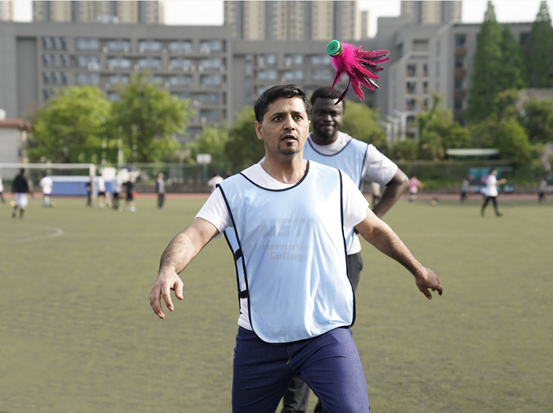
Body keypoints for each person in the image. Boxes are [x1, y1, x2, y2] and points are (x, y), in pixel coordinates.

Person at [149, 85, 443, 413]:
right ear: (259, 129)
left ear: (307, 126)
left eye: (297, 117)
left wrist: (417, 269)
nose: (289, 124)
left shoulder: (336, 182)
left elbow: (375, 230)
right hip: (259, 338)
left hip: (326, 334)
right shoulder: (233, 191)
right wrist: (169, 268)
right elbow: (192, 236)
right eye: (278, 118)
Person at [283, 85, 409, 413]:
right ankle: (294, 407)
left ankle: (328, 405)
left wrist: (368, 220)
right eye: (321, 112)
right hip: (298, 256)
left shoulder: (359, 151)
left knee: (332, 332)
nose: (328, 118)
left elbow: (399, 181)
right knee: (296, 329)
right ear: (310, 115)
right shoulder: (294, 146)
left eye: (334, 112)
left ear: (342, 115)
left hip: (344, 258)